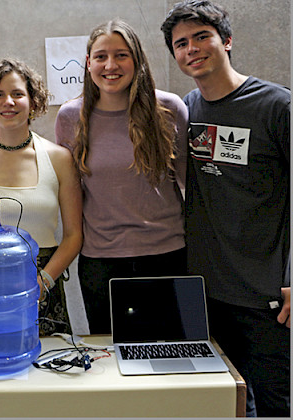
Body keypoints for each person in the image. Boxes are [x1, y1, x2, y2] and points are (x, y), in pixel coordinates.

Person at [161, 1, 290, 416]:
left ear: (227, 41)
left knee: (276, 402)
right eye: (181, 43)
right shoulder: (187, 109)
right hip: (207, 291)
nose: (192, 49)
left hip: (266, 293)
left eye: (202, 37)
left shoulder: (276, 106)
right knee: (228, 402)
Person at [55, 20, 189, 334]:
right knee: (112, 364)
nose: (110, 65)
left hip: (167, 257)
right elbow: (70, 192)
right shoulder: (70, 117)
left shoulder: (169, 108)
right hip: (101, 264)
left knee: (175, 358)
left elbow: (191, 188)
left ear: (137, 61)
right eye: (101, 56)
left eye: (121, 55)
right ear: (88, 63)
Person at [0, 58, 83, 335]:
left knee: (50, 367)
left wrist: (44, 282)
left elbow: (74, 235)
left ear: (33, 100)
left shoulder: (59, 158)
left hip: (43, 283)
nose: (8, 102)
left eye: (17, 94)